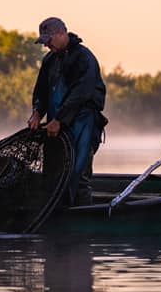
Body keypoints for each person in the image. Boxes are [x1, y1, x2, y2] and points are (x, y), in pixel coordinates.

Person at [28, 17, 107, 205]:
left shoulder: (84, 58)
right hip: (55, 128)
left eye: (49, 40)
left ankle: (81, 223)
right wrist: (37, 112)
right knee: (53, 176)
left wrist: (59, 120)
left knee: (79, 177)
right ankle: (56, 214)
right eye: (44, 41)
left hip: (82, 125)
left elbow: (81, 94)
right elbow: (41, 91)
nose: (46, 45)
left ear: (62, 33)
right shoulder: (49, 61)